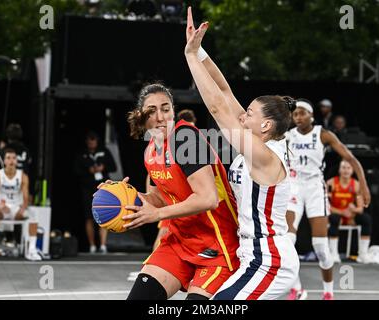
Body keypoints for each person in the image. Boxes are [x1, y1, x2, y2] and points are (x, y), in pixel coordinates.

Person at [184, 7, 299, 300]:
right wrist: (199, 51)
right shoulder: (256, 136)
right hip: (251, 254)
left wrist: (188, 57)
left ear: (266, 124)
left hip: (269, 260)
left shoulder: (264, 156)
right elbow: (223, 90)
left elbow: (216, 107)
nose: (242, 116)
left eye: (248, 113)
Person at [106, 82, 239, 300]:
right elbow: (162, 196)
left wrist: (157, 215)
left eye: (166, 109)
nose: (160, 117)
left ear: (173, 111)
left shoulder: (184, 138)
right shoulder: (151, 150)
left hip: (216, 244)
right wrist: (124, 197)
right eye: (152, 110)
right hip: (180, 242)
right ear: (141, 115)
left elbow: (208, 198)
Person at [285, 99, 370, 300]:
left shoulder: (323, 134)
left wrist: (363, 185)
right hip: (294, 187)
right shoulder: (287, 136)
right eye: (295, 114)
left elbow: (350, 159)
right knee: (287, 241)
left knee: (321, 247)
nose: (298, 117)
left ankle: (328, 292)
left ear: (311, 115)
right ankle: (296, 288)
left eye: (302, 113)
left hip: (315, 188)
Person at [0, 148, 41, 261]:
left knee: (33, 212)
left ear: (17, 161)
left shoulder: (23, 176)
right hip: (2, 209)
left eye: (14, 158)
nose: (11, 161)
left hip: (16, 209)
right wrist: (0, 206)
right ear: (4, 161)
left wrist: (23, 207)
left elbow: (26, 196)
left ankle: (32, 251)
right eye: (8, 158)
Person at [151, 108, 197, 250]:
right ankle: (153, 261)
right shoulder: (166, 146)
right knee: (163, 234)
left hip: (190, 202)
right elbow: (155, 173)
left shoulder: (196, 143)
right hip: (173, 201)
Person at [74, 131, 116, 253]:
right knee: (89, 217)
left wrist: (103, 167)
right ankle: (92, 245)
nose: (92, 143)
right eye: (89, 141)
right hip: (87, 188)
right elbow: (75, 170)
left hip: (102, 188)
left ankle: (103, 244)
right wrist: (88, 170)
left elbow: (114, 167)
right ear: (87, 142)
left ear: (97, 142)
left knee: (103, 215)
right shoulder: (82, 154)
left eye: (94, 140)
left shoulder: (104, 151)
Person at [327, 160, 372, 264]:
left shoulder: (356, 185)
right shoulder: (331, 183)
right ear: (339, 170)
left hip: (350, 217)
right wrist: (342, 212)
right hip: (336, 214)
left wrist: (353, 209)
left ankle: (363, 254)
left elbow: (360, 208)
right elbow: (326, 206)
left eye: (348, 168)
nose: (346, 170)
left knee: (366, 219)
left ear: (352, 171)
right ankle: (333, 254)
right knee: (334, 219)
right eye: (343, 168)